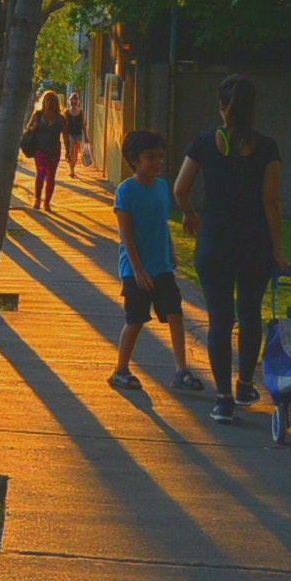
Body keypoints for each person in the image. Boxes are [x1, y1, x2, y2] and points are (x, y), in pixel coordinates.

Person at [173, 73, 288, 425]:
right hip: (254, 244)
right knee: (250, 314)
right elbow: (271, 201)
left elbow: (179, 188)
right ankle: (245, 386)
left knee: (220, 321)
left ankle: (222, 400)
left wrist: (190, 214)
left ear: (222, 107)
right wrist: (278, 249)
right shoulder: (266, 147)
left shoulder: (205, 143)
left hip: (215, 242)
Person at [109, 130, 204, 393]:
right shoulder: (126, 191)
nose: (157, 162)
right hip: (135, 270)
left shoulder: (162, 187)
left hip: (161, 266)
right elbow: (126, 234)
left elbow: (160, 224)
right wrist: (138, 270)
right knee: (136, 319)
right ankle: (120, 370)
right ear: (134, 160)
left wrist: (171, 251)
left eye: (160, 157)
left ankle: (181, 370)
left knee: (175, 314)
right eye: (150, 157)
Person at [25, 90, 69, 212]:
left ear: (56, 103)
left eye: (52, 101)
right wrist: (33, 127)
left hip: (54, 151)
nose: (49, 103)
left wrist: (68, 151)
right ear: (44, 102)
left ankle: (47, 203)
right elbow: (28, 126)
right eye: (47, 100)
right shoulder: (38, 115)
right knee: (40, 174)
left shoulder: (61, 119)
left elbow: (65, 136)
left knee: (51, 178)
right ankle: (37, 200)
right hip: (40, 150)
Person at [64, 92, 86, 177]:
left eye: (75, 102)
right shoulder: (66, 112)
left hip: (78, 134)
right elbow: (64, 125)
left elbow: (83, 125)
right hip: (70, 134)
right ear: (70, 102)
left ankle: (72, 168)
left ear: (78, 102)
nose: (73, 104)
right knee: (71, 151)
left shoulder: (81, 112)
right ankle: (72, 171)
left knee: (75, 155)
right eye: (72, 102)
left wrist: (86, 137)